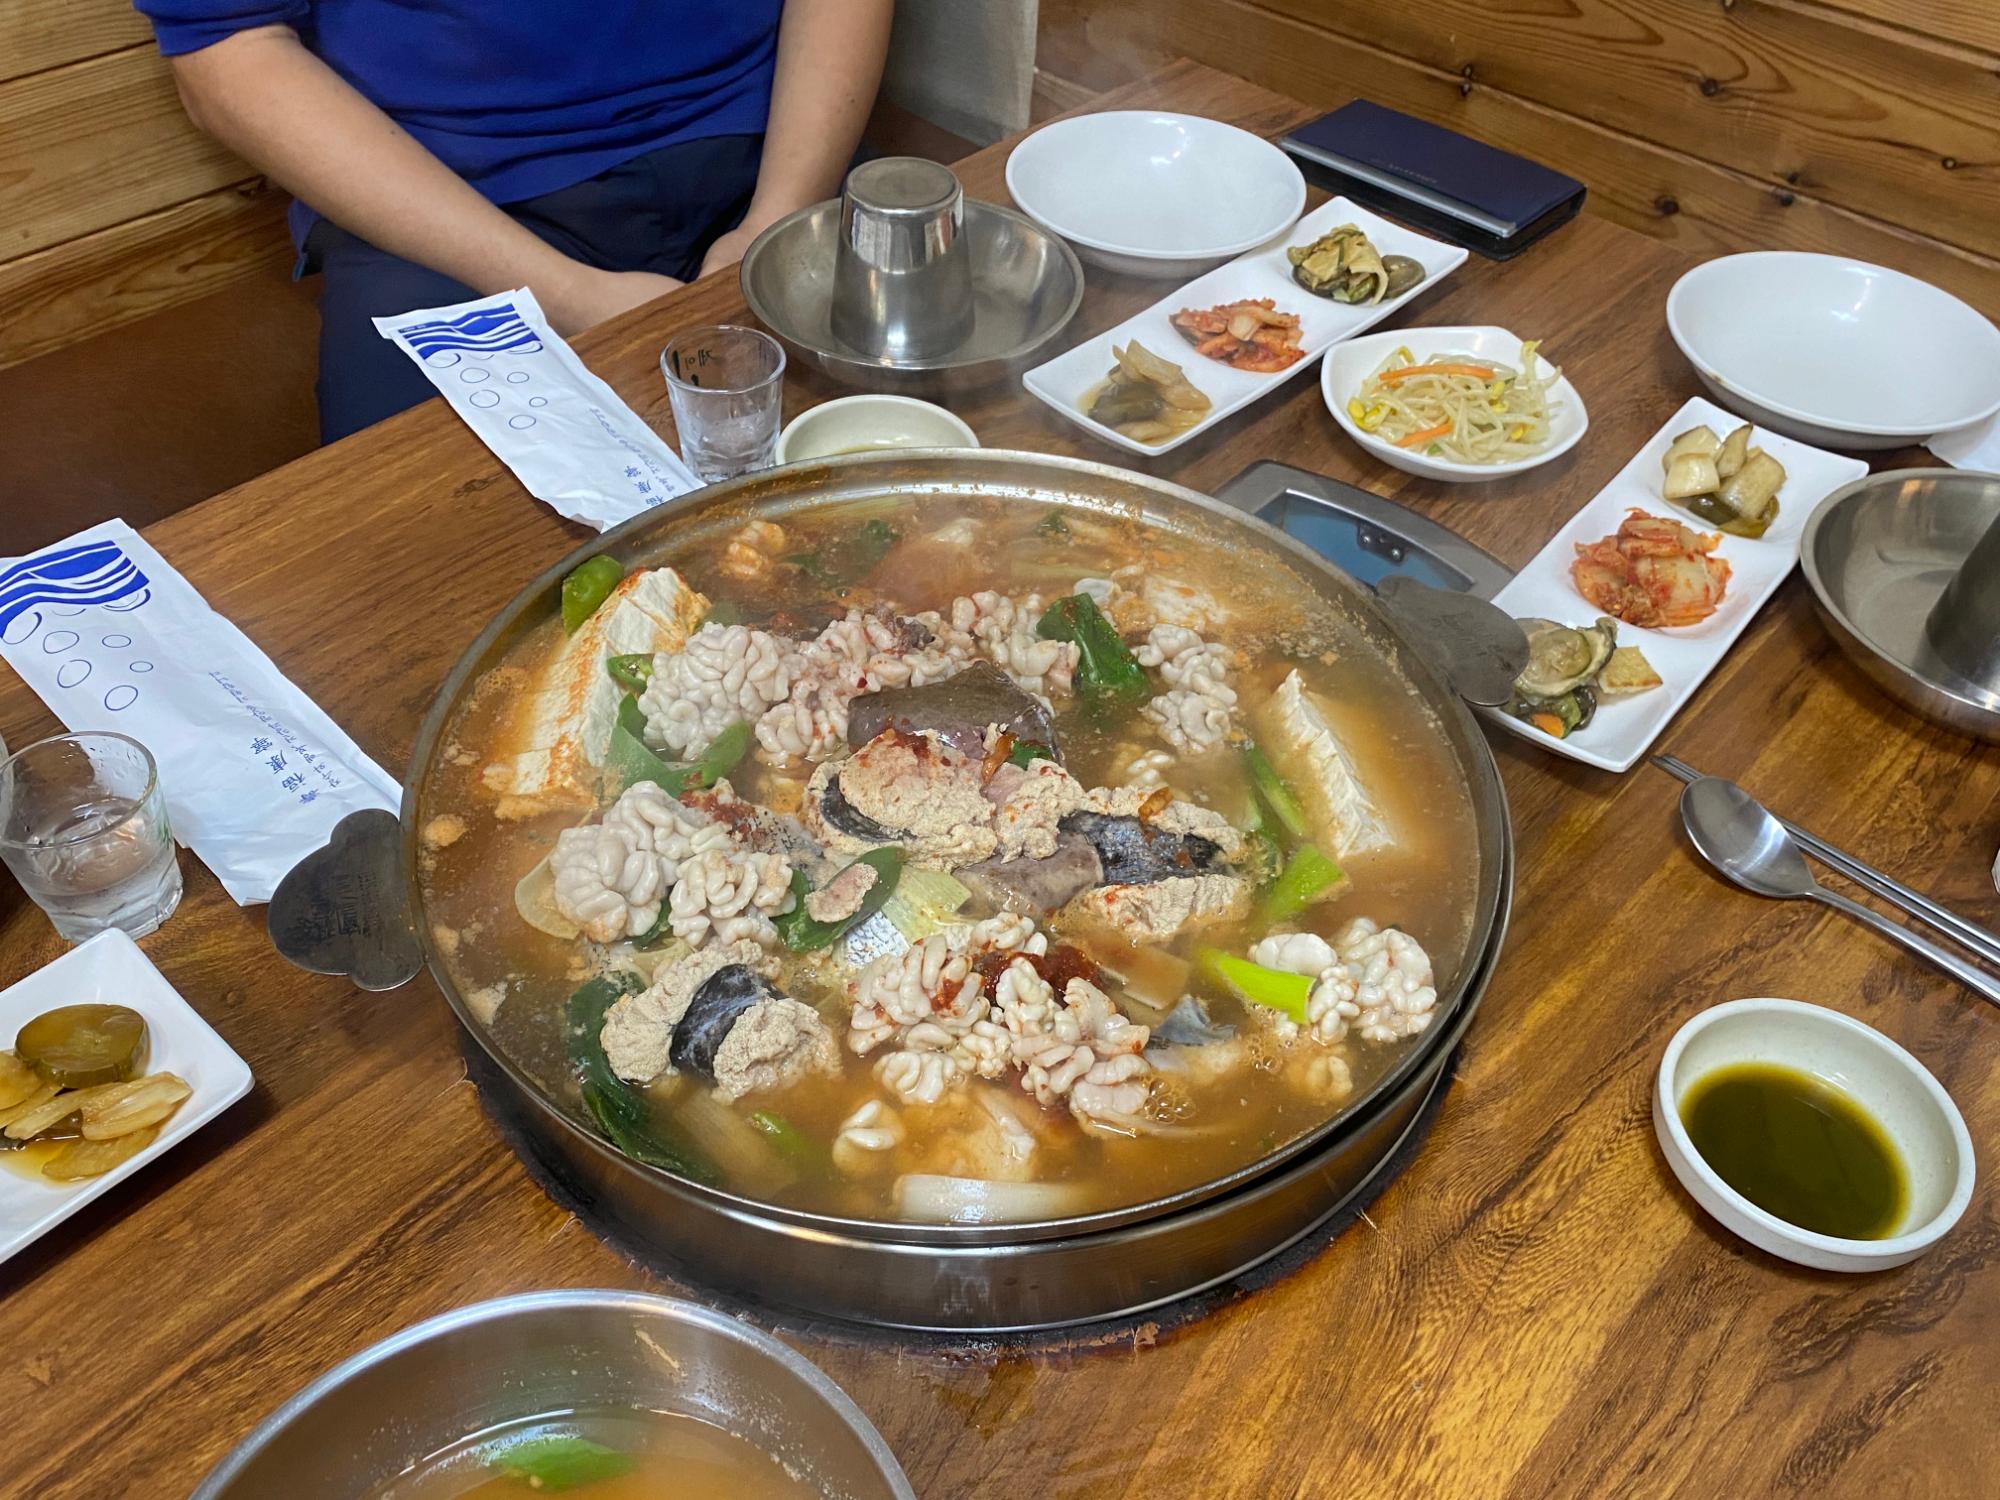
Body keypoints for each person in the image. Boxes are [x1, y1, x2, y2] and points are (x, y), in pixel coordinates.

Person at [134, 1, 894, 443]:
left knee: (902, 458)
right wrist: (565, 295)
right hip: (446, 210)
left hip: (780, 144)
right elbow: (227, 51)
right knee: (431, 560)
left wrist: (774, 223)